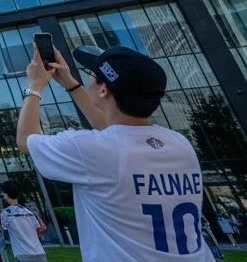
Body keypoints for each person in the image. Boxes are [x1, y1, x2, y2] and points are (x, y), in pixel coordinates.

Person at [18, 43, 212, 261]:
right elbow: (115, 134)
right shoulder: (179, 144)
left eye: (92, 74)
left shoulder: (89, 148)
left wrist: (34, 86)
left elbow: (26, 141)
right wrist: (71, 84)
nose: (88, 78)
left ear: (104, 90)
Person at [0, 181, 47, 262]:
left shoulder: (5, 214)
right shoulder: (29, 213)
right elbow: (38, 229)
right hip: (39, 252)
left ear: (5, 194)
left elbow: (4, 228)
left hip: (22, 253)